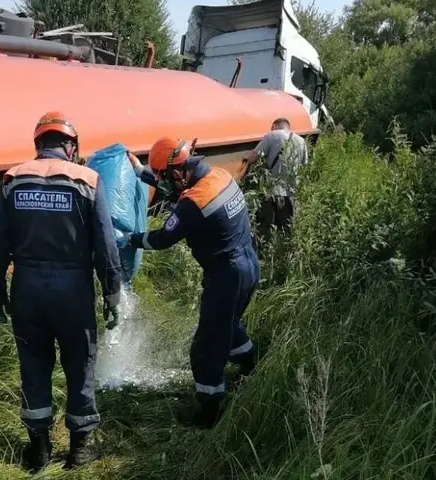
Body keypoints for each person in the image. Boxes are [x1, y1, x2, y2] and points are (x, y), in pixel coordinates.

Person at [0, 111, 123, 472]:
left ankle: (40, 450)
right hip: (73, 290)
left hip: (27, 288)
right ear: (71, 146)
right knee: (80, 364)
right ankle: (79, 450)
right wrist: (112, 294)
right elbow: (105, 245)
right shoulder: (88, 180)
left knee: (33, 365)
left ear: (38, 144)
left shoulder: (13, 179)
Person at [121, 138, 260, 429]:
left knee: (206, 346)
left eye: (163, 175)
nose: (162, 181)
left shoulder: (194, 201)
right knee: (230, 323)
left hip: (226, 276)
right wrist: (142, 171)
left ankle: (208, 415)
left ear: (178, 171)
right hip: (249, 266)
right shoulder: (218, 176)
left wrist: (131, 239)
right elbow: (177, 192)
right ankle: (251, 368)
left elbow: (161, 239)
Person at [242, 117, 309, 247]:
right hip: (291, 192)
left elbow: (254, 157)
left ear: (274, 126)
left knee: (265, 227)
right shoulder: (301, 141)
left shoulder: (271, 136)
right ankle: (283, 254)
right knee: (286, 228)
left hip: (271, 191)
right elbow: (304, 166)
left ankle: (263, 255)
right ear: (288, 127)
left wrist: (244, 158)